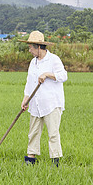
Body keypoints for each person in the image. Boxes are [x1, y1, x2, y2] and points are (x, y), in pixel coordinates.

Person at [19, 31, 68, 167]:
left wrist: (47, 74)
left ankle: (55, 162)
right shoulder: (32, 63)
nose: (29, 50)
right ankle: (30, 159)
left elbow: (63, 76)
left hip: (51, 103)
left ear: (39, 47)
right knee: (33, 133)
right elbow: (29, 83)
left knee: (53, 133)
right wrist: (25, 100)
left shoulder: (53, 59)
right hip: (36, 103)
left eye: (31, 48)